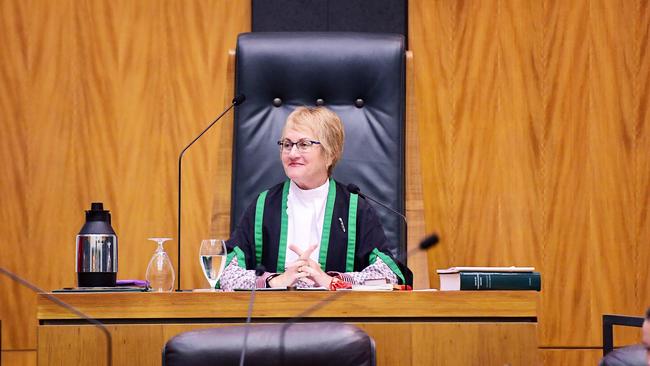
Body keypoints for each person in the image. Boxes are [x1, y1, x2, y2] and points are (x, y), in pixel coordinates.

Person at [219, 106, 412, 290]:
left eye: (303, 144)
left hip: (338, 319)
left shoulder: (354, 207)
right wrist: (275, 280)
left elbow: (388, 275)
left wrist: (330, 280)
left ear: (330, 154)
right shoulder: (264, 205)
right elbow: (225, 273)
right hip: (272, 318)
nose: (292, 153)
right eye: (287, 144)